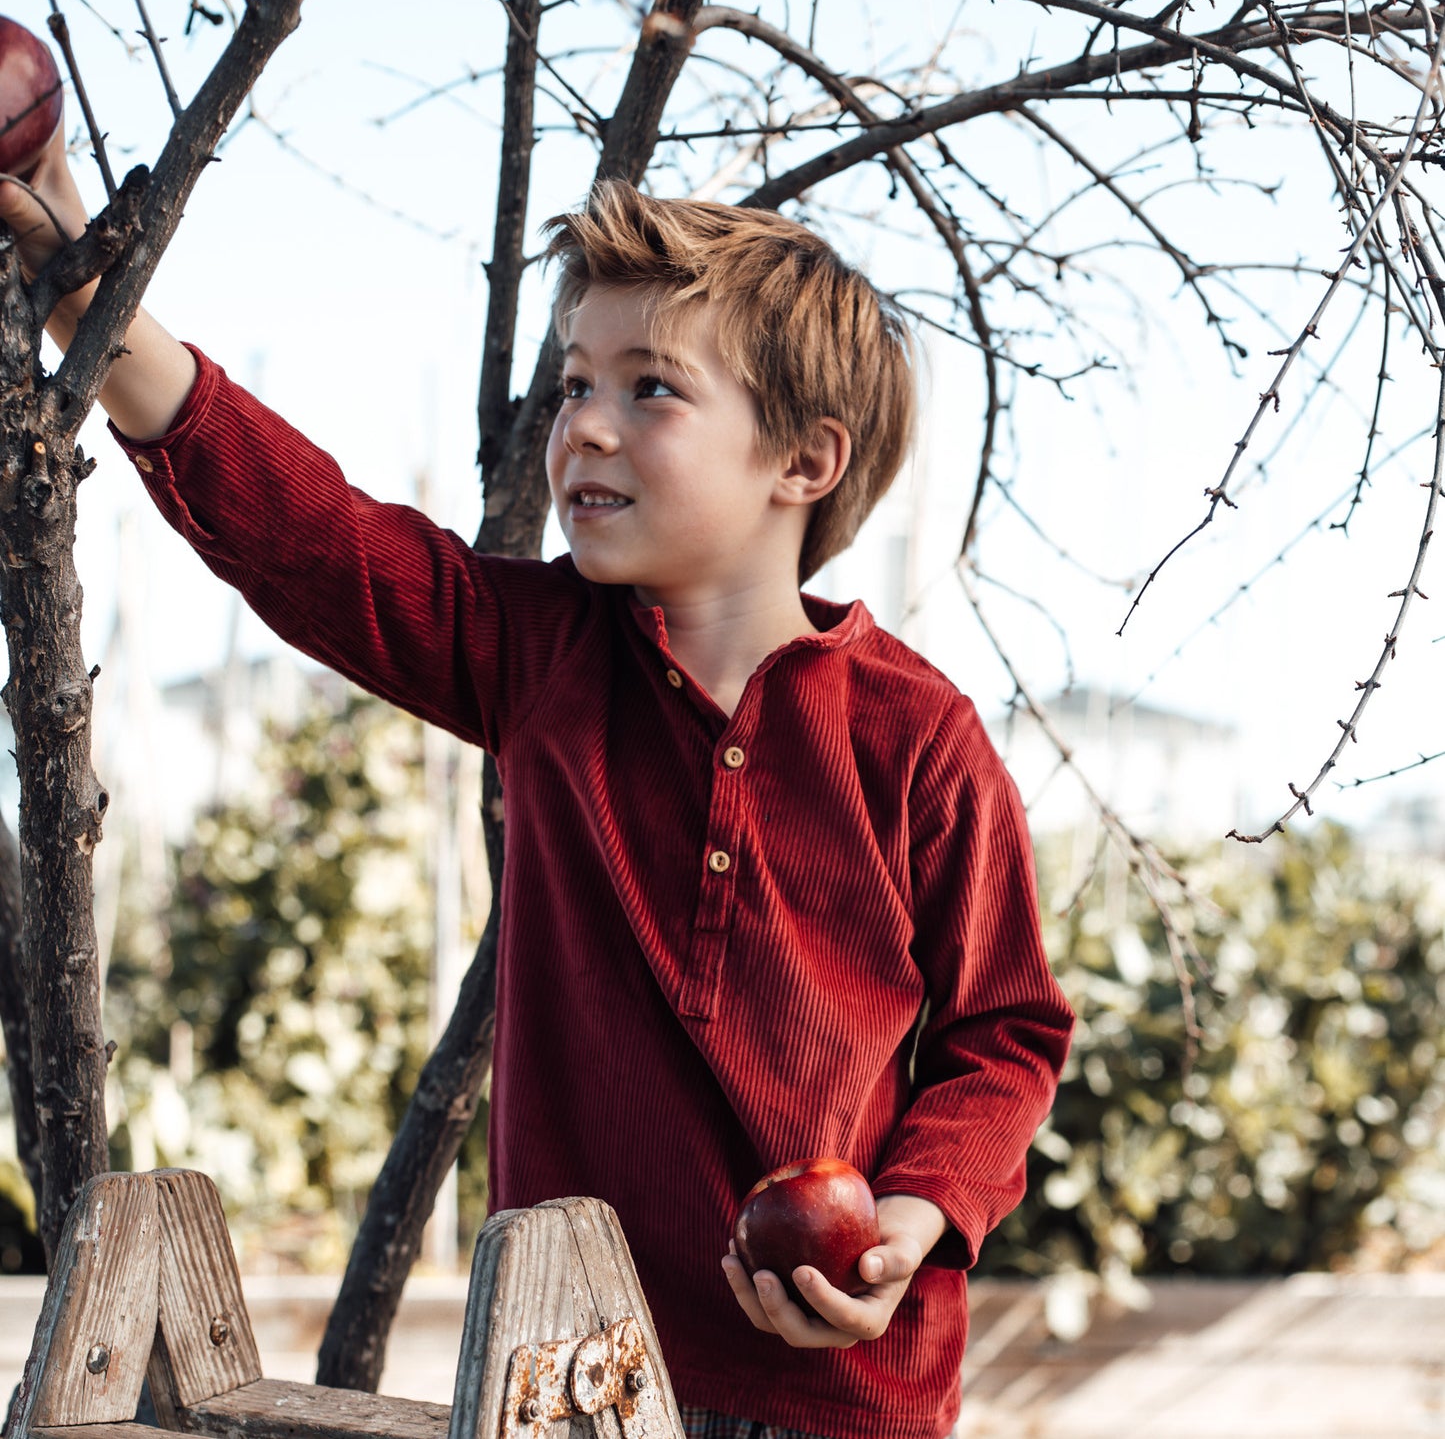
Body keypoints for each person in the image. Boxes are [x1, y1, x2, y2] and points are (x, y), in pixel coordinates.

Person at [2, 123, 1074, 1439]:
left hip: (844, 1385)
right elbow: (311, 537)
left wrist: (908, 1218)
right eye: (572, 385)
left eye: (649, 390)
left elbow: (1004, 1032)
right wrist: (75, 280)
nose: (585, 428)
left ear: (803, 461)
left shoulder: (919, 737)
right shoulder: (539, 653)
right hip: (571, 1376)